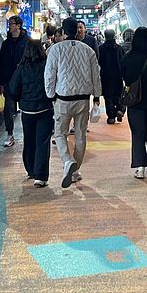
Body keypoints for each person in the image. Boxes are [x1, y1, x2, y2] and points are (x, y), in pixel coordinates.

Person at [45, 16, 101, 188]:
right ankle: (75, 172)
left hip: (62, 99)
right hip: (83, 100)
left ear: (62, 31)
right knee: (80, 135)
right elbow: (96, 75)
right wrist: (97, 96)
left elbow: (49, 75)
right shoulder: (88, 50)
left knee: (60, 133)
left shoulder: (55, 50)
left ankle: (68, 161)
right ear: (77, 30)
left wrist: (50, 95)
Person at [9, 39, 54, 187]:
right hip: (45, 109)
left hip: (27, 110)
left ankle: (31, 170)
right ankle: (40, 177)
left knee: (29, 140)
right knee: (42, 141)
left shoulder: (21, 68)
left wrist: (20, 99)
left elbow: (14, 88)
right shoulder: (47, 66)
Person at [121, 27, 147, 179]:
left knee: (138, 133)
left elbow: (124, 76)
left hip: (134, 101)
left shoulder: (127, 57)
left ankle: (140, 167)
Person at [0, 15, 28, 147]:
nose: (10, 26)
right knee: (8, 109)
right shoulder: (5, 43)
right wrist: (0, 82)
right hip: (9, 81)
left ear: (18, 25)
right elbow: (2, 63)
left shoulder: (27, 42)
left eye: (12, 23)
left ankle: (28, 134)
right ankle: (10, 134)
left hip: (23, 82)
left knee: (26, 109)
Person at [98, 29, 124, 124]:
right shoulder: (119, 48)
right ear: (114, 36)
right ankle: (119, 110)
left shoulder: (101, 48)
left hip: (106, 76)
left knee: (108, 96)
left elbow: (98, 62)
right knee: (118, 94)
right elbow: (123, 62)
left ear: (105, 36)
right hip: (118, 76)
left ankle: (111, 117)